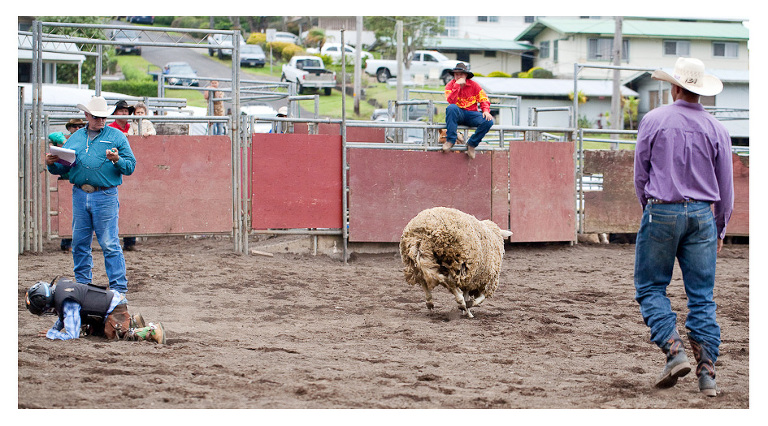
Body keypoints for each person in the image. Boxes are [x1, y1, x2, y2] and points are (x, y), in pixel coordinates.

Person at [633, 57, 734, 398]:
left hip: (661, 209)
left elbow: (640, 175)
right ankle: (707, 375)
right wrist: (720, 228)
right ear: (699, 91)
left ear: (674, 87)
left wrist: (649, 210)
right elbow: (726, 188)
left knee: (649, 287)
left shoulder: (654, 120)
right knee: (702, 297)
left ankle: (674, 351)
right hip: (703, 216)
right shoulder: (717, 129)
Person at [45, 96, 136, 296]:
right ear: (87, 115)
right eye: (96, 117)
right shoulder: (76, 138)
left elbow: (130, 166)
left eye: (103, 117)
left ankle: (118, 288)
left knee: (109, 243)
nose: (100, 121)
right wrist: (52, 163)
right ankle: (83, 285)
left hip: (104, 194)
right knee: (80, 242)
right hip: (81, 193)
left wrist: (118, 159)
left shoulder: (117, 137)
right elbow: (64, 168)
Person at [24, 277, 165, 343]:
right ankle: (132, 321)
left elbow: (72, 335)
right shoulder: (62, 291)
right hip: (111, 304)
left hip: (113, 307)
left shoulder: (68, 302)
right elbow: (64, 317)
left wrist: (53, 334)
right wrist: (54, 329)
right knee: (95, 334)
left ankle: (152, 331)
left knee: (118, 337)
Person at [48, 119, 86, 252]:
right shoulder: (68, 139)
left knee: (75, 216)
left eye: (80, 126)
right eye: (74, 126)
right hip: (67, 179)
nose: (77, 128)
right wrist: (65, 142)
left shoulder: (85, 139)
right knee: (68, 213)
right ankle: (67, 243)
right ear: (69, 128)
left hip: (79, 180)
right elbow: (53, 135)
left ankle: (71, 243)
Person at [441, 63, 493, 159]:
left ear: (466, 75)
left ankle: (472, 144)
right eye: (456, 74)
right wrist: (457, 87)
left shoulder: (474, 85)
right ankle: (450, 141)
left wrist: (485, 110)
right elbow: (451, 101)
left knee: (489, 121)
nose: (458, 76)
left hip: (471, 114)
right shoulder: (450, 86)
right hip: (457, 113)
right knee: (451, 108)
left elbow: (484, 99)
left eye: (461, 74)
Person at [107, 100, 140, 251]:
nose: (125, 113)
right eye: (121, 111)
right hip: (115, 173)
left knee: (130, 205)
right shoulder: (110, 130)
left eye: (126, 111)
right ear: (114, 113)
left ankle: (129, 240)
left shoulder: (134, 127)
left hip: (126, 170)